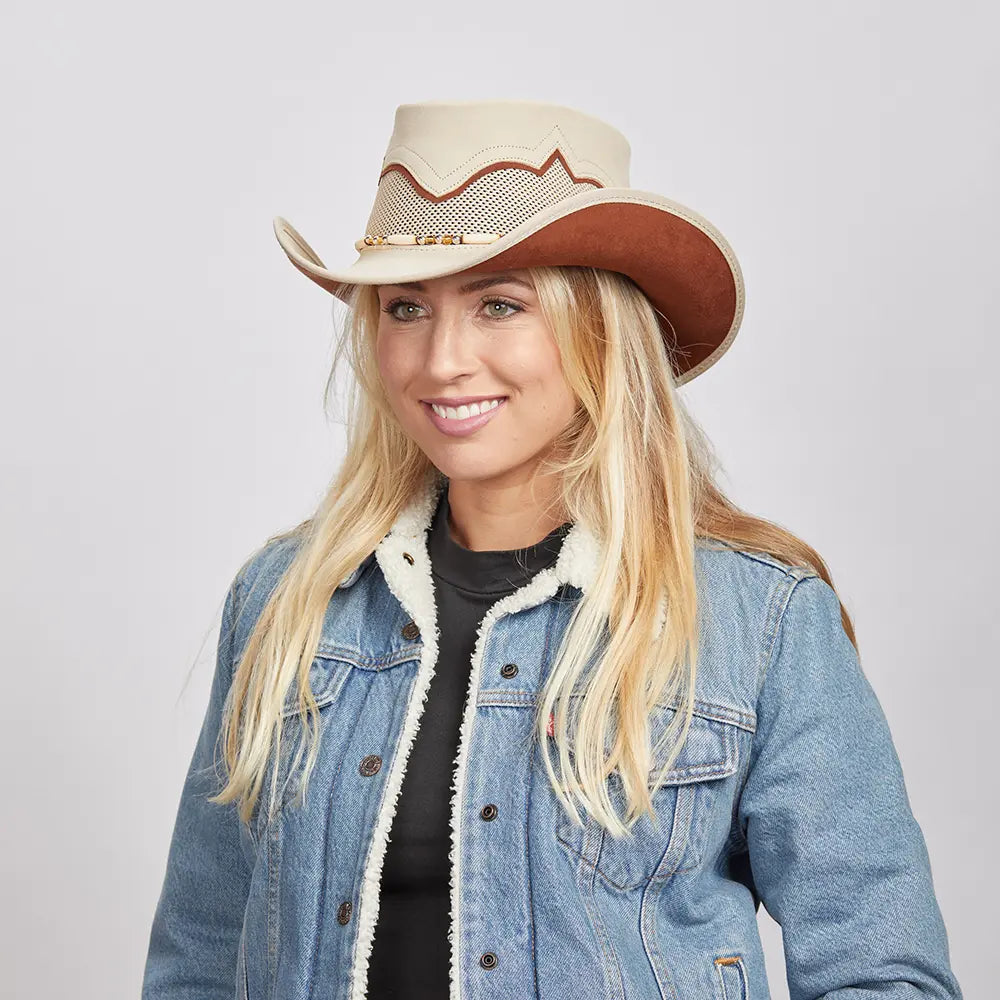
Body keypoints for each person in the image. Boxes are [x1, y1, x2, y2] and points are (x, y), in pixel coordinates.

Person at [141, 99, 962, 999]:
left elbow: (881, 972)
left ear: (600, 330)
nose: (443, 359)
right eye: (406, 307)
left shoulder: (756, 619)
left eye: (500, 305)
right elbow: (202, 953)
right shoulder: (286, 599)